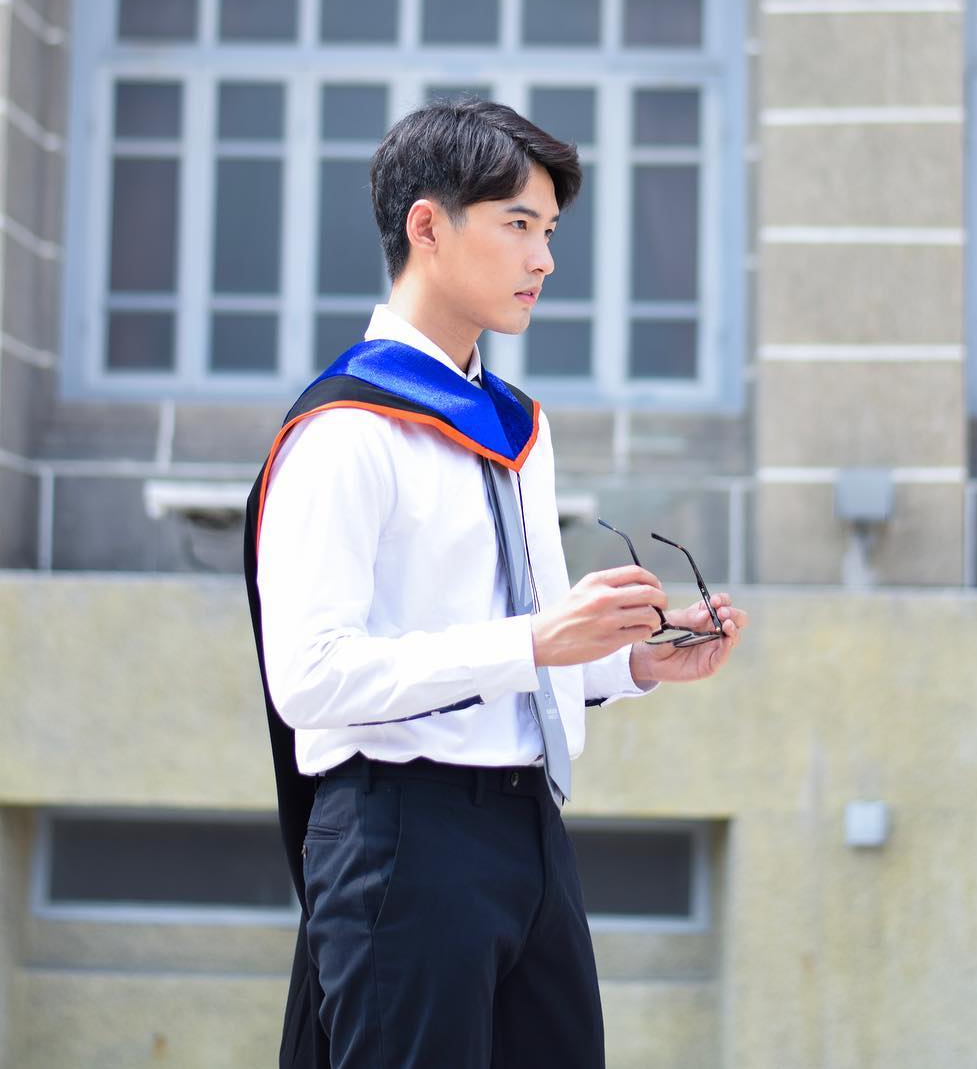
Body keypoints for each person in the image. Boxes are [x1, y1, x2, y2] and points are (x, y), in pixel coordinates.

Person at [244, 98, 748, 1069]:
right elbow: (308, 677)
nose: (544, 259)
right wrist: (534, 640)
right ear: (427, 226)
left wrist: (631, 660)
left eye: (549, 231)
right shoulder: (345, 431)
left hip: (531, 834)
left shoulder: (517, 427)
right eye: (518, 224)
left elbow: (515, 658)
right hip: (400, 836)